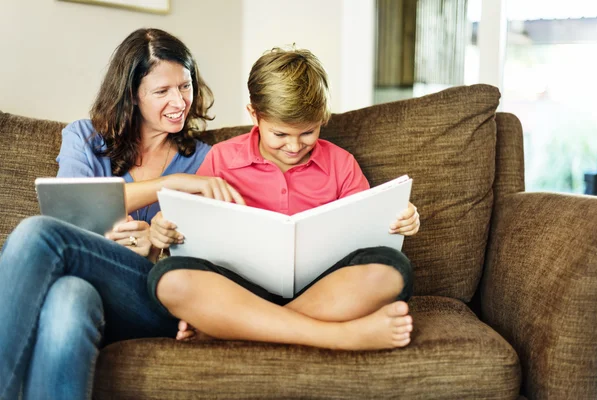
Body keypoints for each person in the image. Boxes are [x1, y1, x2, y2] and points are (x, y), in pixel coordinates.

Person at [0, 28, 242, 400]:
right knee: (69, 297)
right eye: (162, 91)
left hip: (148, 296)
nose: (179, 101)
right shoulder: (84, 139)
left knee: (37, 234)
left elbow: (213, 253)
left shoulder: (207, 161)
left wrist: (154, 247)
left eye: (185, 86)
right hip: (90, 288)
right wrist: (172, 184)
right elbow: (69, 214)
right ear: (132, 95)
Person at [148, 47, 421, 351]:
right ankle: (339, 336)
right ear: (254, 115)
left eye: (308, 132)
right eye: (279, 134)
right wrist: (165, 228)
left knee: (392, 267)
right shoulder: (221, 159)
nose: (294, 146)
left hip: (325, 287)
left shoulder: (342, 164)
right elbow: (190, 227)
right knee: (168, 277)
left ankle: (232, 328)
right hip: (240, 289)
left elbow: (368, 231)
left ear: (322, 118)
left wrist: (399, 218)